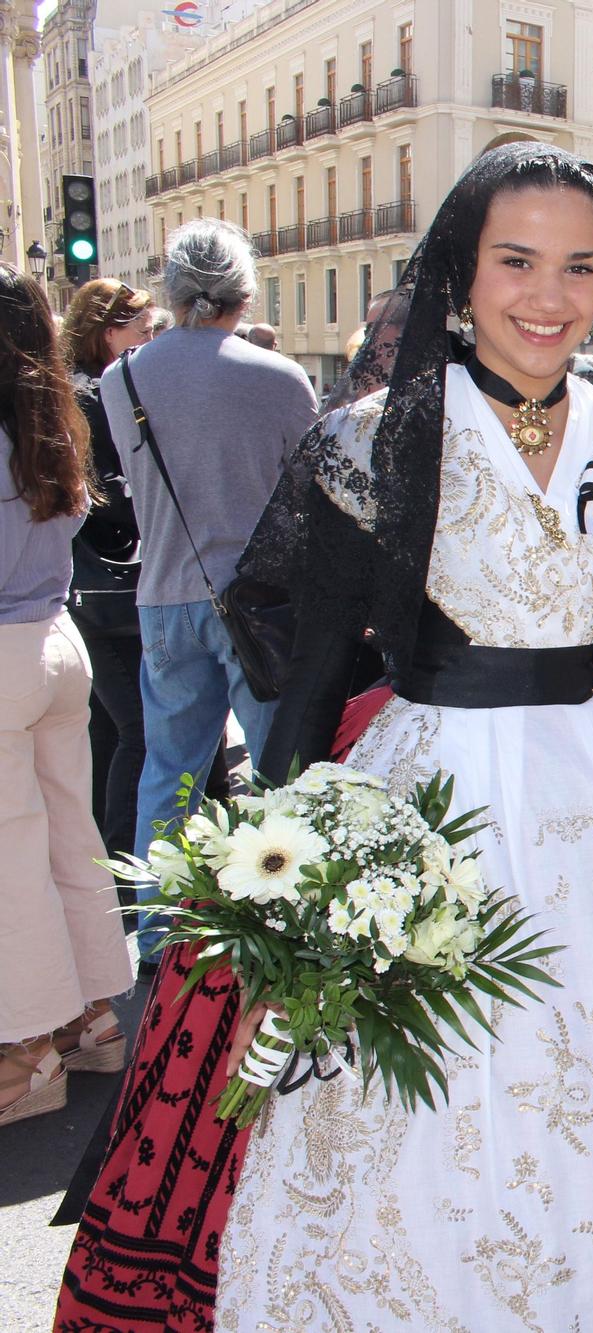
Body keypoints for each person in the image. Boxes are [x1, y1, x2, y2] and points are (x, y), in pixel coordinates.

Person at [57, 142, 593, 1331]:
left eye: (579, 267)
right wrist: (264, 881)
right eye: (517, 261)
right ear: (460, 272)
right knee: (418, 1124)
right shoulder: (375, 437)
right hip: (426, 812)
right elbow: (316, 671)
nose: (548, 296)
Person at [100, 220, 319, 964]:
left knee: (170, 774)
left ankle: (159, 939)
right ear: (243, 292)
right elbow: (310, 495)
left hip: (163, 593)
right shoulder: (280, 379)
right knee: (277, 771)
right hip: (258, 607)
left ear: (173, 288)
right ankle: (289, 926)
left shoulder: (121, 377)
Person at [0, 263, 134, 1127]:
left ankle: (24, 1051)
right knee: (69, 838)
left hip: (8, 651)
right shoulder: (50, 425)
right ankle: (95, 1018)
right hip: (55, 640)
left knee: (13, 862)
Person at [60, 279, 156, 865]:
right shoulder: (95, 396)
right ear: (106, 330)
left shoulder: (76, 389)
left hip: (90, 587)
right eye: (140, 333)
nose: (147, 345)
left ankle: (100, 849)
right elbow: (105, 496)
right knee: (139, 731)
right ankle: (121, 861)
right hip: (108, 588)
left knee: (108, 729)